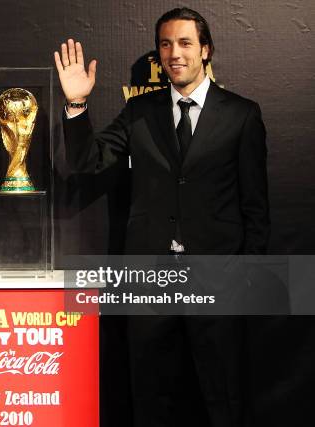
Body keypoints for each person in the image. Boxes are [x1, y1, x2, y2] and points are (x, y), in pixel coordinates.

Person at [56, 7, 269, 427]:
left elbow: (255, 206)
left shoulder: (242, 114)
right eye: (166, 45)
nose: (175, 53)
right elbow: (88, 161)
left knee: (223, 397)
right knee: (151, 398)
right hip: (151, 282)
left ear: (206, 50)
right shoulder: (139, 112)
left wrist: (247, 276)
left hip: (218, 281)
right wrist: (77, 103)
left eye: (186, 43)